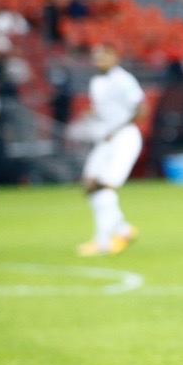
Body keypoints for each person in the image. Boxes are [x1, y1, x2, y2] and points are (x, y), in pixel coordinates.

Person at [77, 44, 144, 256]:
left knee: (104, 187)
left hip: (123, 138)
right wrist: (91, 118)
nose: (99, 61)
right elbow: (101, 109)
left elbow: (142, 108)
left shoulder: (123, 80)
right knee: (89, 185)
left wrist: (118, 129)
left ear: (115, 57)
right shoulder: (97, 81)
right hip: (104, 140)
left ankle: (103, 242)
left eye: (104, 57)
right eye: (96, 57)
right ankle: (123, 230)